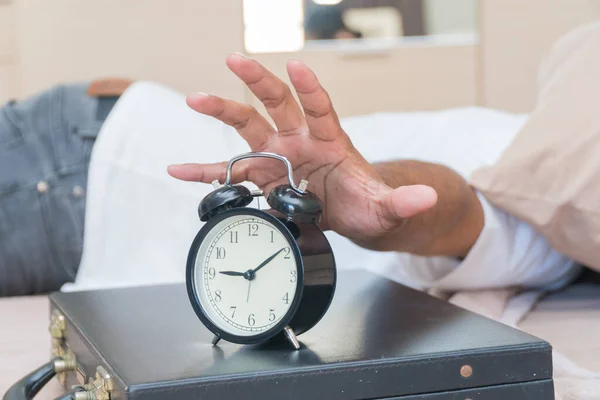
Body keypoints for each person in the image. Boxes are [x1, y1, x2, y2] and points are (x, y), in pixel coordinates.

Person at [0, 54, 578, 297]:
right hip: (93, 173)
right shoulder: (560, 185)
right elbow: (454, 203)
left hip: (94, 167)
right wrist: (367, 198)